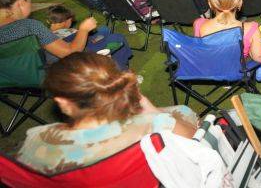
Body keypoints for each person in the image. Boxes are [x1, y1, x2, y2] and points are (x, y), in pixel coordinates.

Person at [16, 52, 197, 174]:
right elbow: (194, 137)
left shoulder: (37, 141)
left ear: (63, 102)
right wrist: (151, 109)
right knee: (182, 112)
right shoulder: (152, 125)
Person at [0, 0, 97, 61]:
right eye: (30, 2)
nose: (31, 6)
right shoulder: (29, 26)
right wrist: (83, 29)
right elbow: (70, 53)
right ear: (20, 3)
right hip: (41, 76)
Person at [193, 0, 261, 62]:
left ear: (210, 4)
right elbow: (259, 58)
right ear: (240, 3)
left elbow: (199, 51)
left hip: (209, 70)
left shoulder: (199, 24)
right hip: (236, 72)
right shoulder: (251, 28)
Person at [46, 5, 133, 69]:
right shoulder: (67, 32)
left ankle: (114, 59)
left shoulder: (47, 34)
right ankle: (120, 68)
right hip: (82, 50)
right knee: (117, 38)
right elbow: (75, 46)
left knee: (104, 29)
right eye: (71, 20)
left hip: (80, 45)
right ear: (66, 21)